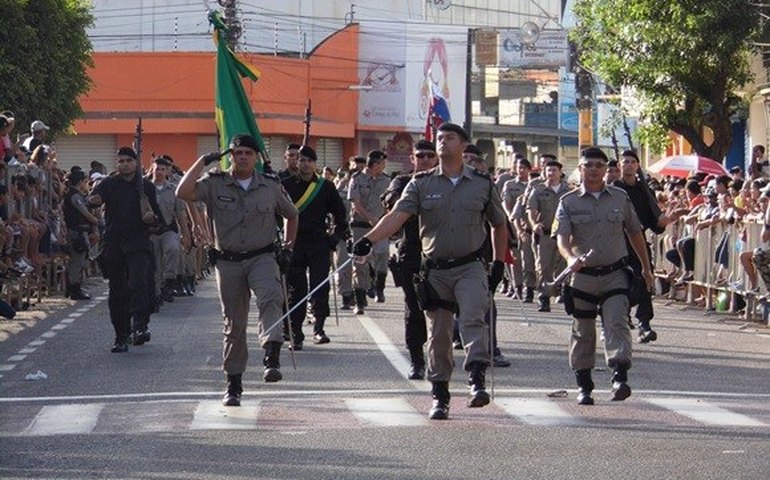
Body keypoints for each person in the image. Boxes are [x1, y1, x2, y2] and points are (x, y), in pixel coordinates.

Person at [352, 123, 508, 420]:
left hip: (471, 265)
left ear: (463, 145)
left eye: (449, 138)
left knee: (475, 315)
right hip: (435, 270)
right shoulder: (421, 184)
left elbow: (499, 224)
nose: (442, 142)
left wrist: (498, 262)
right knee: (439, 334)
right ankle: (440, 394)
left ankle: (476, 377)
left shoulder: (482, 184)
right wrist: (368, 240)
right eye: (439, 138)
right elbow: (397, 216)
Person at [176, 134, 298, 407]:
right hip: (228, 261)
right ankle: (234, 384)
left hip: (262, 256)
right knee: (234, 324)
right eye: (237, 152)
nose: (242, 157)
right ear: (230, 156)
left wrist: (288, 247)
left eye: (247, 153)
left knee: (271, 298)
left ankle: (271, 354)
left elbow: (292, 214)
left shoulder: (270, 186)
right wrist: (202, 162)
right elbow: (183, 192)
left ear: (255, 157)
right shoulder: (214, 183)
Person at [554, 146, 654, 406]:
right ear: (581, 169)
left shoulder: (620, 198)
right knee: (583, 331)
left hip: (614, 274)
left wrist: (646, 268)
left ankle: (619, 377)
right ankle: (584, 384)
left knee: (616, 322)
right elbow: (562, 239)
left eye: (600, 165)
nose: (595, 169)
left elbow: (635, 233)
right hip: (583, 278)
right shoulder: (568, 201)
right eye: (589, 165)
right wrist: (569, 258)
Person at [88, 147, 161, 353]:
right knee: (118, 290)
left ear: (136, 162)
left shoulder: (146, 186)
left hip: (138, 242)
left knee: (140, 284)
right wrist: (92, 200)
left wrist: (151, 219)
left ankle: (140, 325)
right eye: (120, 161)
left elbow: (158, 221)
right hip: (115, 243)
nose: (124, 164)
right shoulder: (108, 184)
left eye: (128, 160)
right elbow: (94, 198)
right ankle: (121, 334)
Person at [614, 150, 687, 342]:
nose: (629, 165)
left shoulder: (645, 190)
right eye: (625, 161)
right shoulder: (613, 190)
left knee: (645, 280)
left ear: (638, 166)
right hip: (616, 244)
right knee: (619, 284)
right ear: (620, 166)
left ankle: (644, 324)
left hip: (638, 244)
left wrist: (670, 216)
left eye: (632, 162)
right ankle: (620, 315)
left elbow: (657, 224)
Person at [381, 139, 438, 379]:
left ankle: (439, 359)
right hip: (411, 254)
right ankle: (417, 359)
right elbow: (389, 202)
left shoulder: (445, 183)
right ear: (412, 159)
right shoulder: (403, 181)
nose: (424, 160)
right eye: (420, 156)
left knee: (440, 311)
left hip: (439, 255)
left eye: (429, 155)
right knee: (413, 309)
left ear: (436, 158)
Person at [281, 145, 347, 350]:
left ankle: (319, 329)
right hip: (294, 243)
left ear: (315, 163)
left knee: (320, 287)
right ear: (296, 162)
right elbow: (275, 213)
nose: (305, 164)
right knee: (296, 289)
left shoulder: (325, 186)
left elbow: (340, 214)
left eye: (309, 160)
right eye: (302, 160)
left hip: (319, 243)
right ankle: (296, 332)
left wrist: (334, 238)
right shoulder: (285, 185)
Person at [348, 149, 390, 313]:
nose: (384, 166)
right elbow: (355, 204)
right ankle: (359, 300)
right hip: (360, 227)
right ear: (376, 164)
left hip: (381, 227)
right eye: (382, 163)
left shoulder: (386, 181)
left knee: (382, 256)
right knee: (360, 264)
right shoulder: (357, 179)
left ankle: (379, 287)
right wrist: (370, 218)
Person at [527, 159, 570, 312]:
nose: (551, 173)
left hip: (564, 234)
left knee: (564, 265)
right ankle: (543, 297)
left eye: (554, 170)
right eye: (548, 170)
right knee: (544, 266)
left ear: (560, 172)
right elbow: (531, 211)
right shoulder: (538, 190)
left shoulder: (569, 190)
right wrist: (534, 224)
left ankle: (562, 291)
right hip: (545, 235)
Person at [149, 156, 190, 307]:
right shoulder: (146, 189)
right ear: (152, 170)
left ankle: (169, 281)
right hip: (151, 232)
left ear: (167, 171)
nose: (159, 172)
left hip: (168, 229)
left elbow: (180, 213)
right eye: (156, 169)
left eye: (162, 169)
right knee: (155, 263)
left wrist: (186, 234)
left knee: (173, 249)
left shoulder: (173, 190)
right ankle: (157, 292)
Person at [62, 169, 100, 300]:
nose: (87, 184)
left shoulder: (80, 195)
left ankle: (73, 287)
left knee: (81, 260)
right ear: (80, 182)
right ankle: (74, 289)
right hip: (76, 232)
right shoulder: (74, 196)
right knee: (77, 261)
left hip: (81, 231)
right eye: (85, 181)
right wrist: (99, 223)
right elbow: (86, 214)